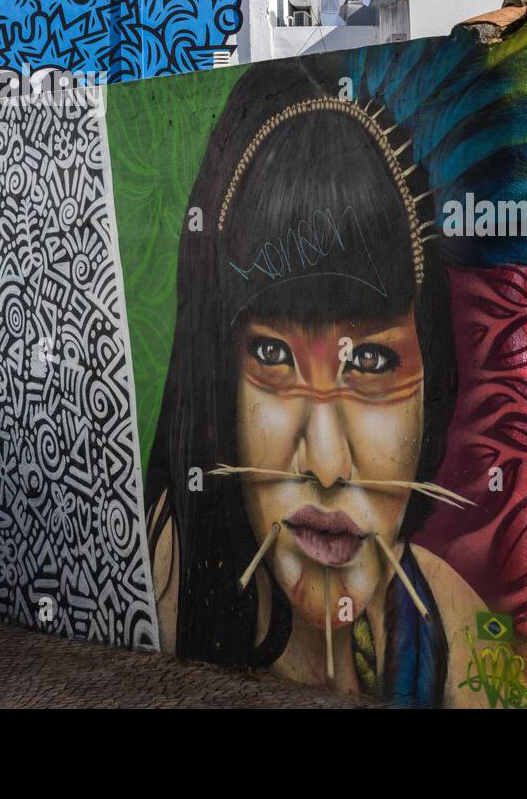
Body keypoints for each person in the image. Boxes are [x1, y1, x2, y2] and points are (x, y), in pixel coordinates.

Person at [145, 61, 487, 706]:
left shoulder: (451, 624)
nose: (327, 465)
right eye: (273, 354)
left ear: (430, 385)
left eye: (373, 365)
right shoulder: (154, 576)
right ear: (222, 383)